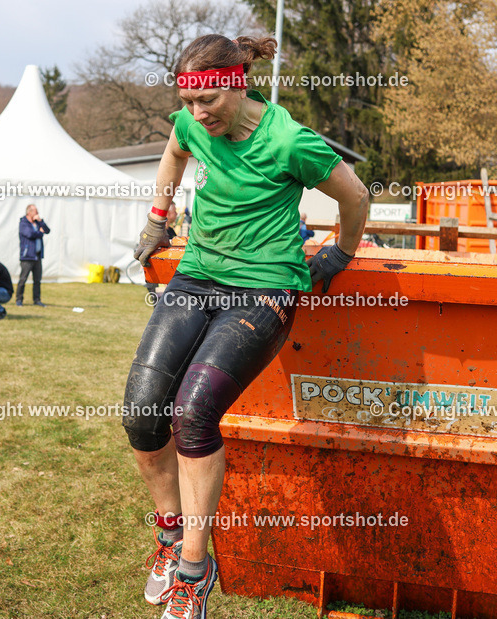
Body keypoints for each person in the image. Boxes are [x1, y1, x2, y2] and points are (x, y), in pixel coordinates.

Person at [124, 34, 369, 619]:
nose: (196, 113)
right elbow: (173, 152)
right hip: (196, 277)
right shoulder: (191, 126)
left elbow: (356, 195)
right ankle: (168, 535)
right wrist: (159, 217)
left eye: (207, 99)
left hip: (263, 291)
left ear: (237, 84)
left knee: (192, 412)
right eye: (187, 100)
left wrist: (340, 254)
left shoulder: (287, 140)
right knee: (141, 411)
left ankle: (193, 568)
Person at [16, 204, 50, 307]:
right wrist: (40, 233)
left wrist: (40, 221)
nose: (37, 213)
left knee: (37, 280)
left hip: (37, 256)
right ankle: (19, 299)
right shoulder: (23, 223)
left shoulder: (37, 223)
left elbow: (47, 230)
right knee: (23, 279)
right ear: (29, 212)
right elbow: (30, 234)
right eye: (35, 211)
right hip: (27, 256)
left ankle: (37, 300)